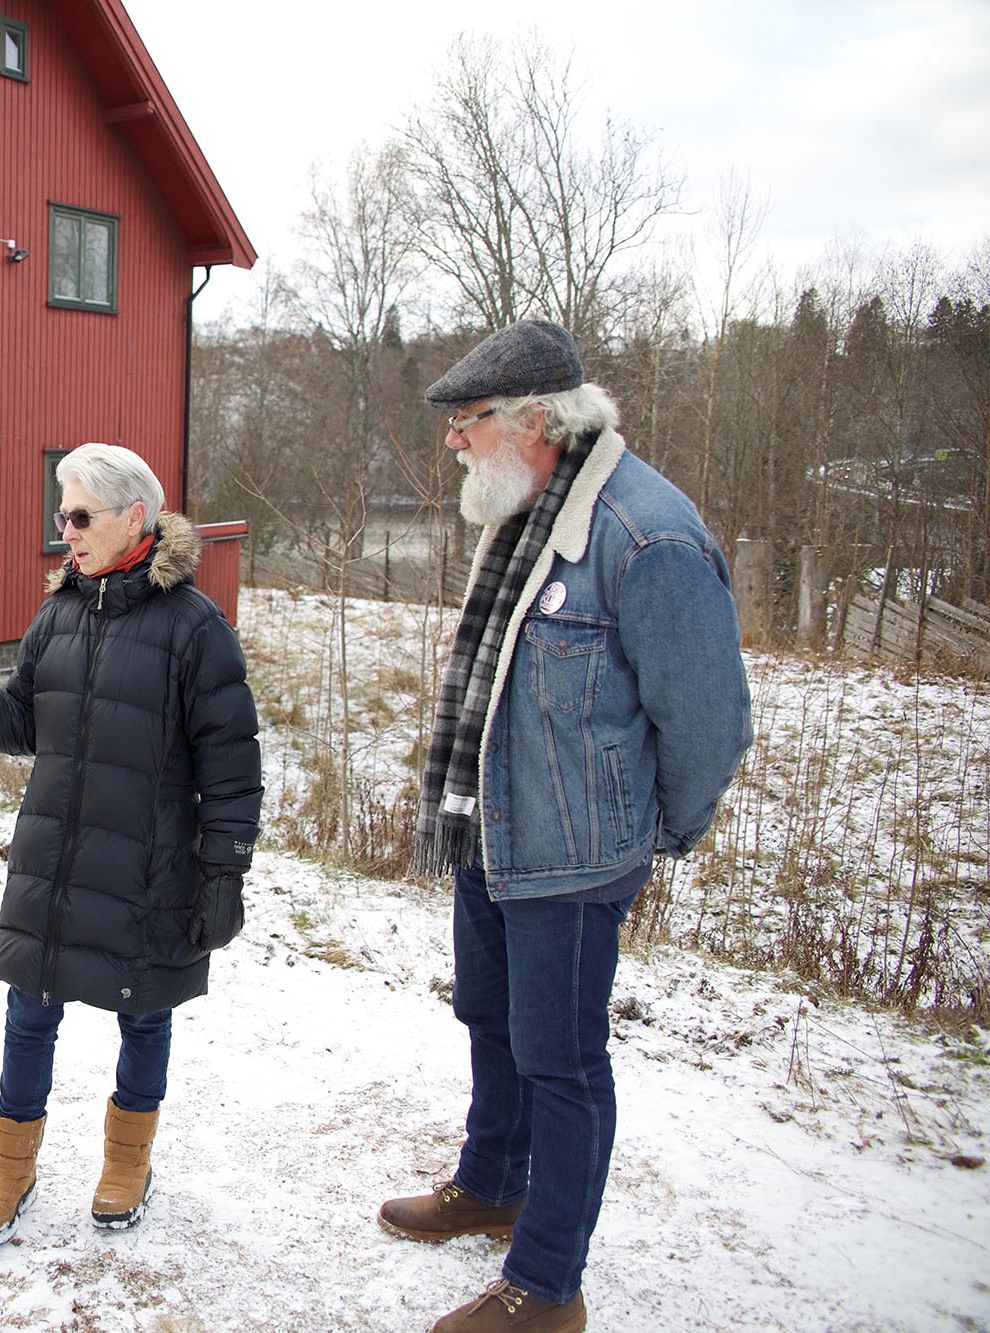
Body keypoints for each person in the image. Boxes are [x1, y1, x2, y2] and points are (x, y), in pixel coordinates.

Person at [380, 321, 753, 1332]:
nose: (453, 440)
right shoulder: (526, 514)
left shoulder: (646, 534)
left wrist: (645, 833)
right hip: (492, 831)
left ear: (535, 421)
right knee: (489, 1020)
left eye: (468, 420)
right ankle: (490, 1183)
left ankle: (547, 1284)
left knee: (561, 1063)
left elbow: (710, 720)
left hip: (571, 856)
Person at [0, 442, 262, 1247]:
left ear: (134, 517)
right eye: (60, 513)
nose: (63, 529)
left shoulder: (195, 628)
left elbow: (233, 766)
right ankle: (10, 1169)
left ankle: (128, 1164)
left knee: (144, 1013)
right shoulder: (60, 614)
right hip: (54, 861)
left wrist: (224, 872)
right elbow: (22, 726)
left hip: (147, 867)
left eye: (78, 514)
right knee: (27, 1012)